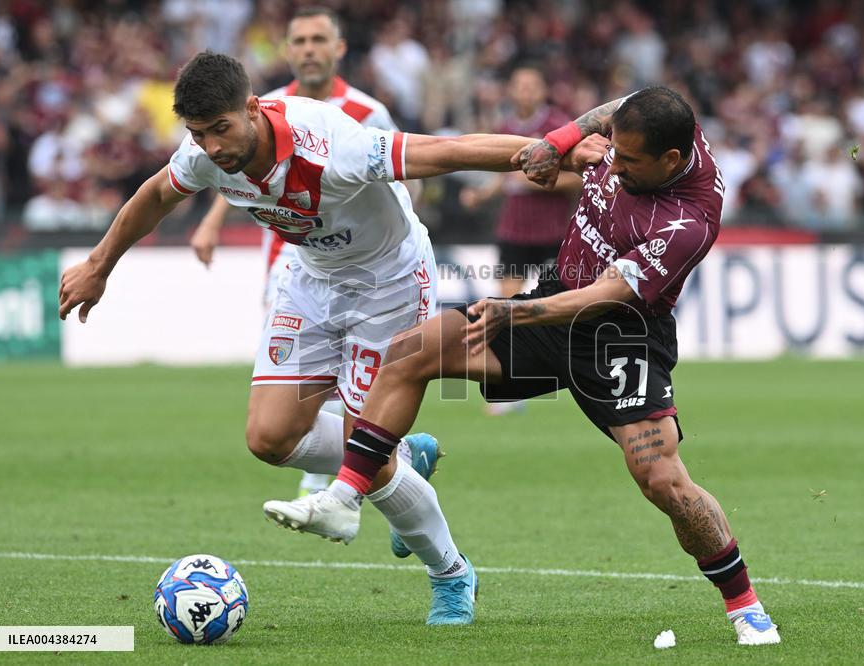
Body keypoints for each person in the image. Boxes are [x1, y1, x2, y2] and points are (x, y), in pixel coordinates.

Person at [58, 51, 582, 625]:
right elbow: (157, 194)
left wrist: (545, 149)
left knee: (371, 461)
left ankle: (450, 573)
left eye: (220, 129)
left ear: (253, 110)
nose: (210, 147)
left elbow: (441, 151)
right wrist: (99, 266)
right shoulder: (207, 155)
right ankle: (404, 453)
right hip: (310, 280)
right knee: (269, 437)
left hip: (390, 284)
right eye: (198, 134)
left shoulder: (330, 144)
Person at [272, 87, 782, 645]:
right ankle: (345, 497)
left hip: (619, 337)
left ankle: (745, 605)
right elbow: (617, 108)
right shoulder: (654, 127)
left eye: (629, 160)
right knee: (414, 350)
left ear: (670, 160)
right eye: (614, 148)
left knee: (663, 481)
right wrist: (560, 141)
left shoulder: (689, 221)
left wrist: (515, 311)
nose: (614, 161)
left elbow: (607, 294)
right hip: (557, 295)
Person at [188, 6, 422, 505]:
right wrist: (211, 222)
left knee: (349, 380)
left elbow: (403, 169)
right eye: (299, 41)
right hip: (293, 258)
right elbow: (227, 171)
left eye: (319, 40)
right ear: (287, 50)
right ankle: (370, 466)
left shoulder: (365, 112)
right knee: (297, 382)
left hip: (366, 261)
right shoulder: (258, 109)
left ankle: (349, 481)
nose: (309, 50)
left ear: (338, 49)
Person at [460, 65, 581, 415]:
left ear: (542, 90)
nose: (525, 92)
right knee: (505, 307)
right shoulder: (507, 128)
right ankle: (510, 390)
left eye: (532, 85)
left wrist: (536, 181)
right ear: (512, 90)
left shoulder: (560, 126)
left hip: (554, 233)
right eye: (520, 86)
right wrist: (482, 195)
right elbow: (503, 178)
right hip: (514, 231)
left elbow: (579, 178)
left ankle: (574, 373)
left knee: (563, 307)